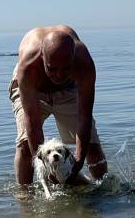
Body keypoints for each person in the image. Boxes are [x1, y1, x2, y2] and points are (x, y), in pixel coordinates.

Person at [10, 25, 107, 186]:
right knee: (25, 145)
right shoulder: (28, 66)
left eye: (65, 69)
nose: (59, 75)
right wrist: (44, 165)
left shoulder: (84, 64)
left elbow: (84, 117)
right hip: (33, 88)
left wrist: (79, 160)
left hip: (69, 90)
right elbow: (32, 122)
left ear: (73, 58)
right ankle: (25, 198)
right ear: (42, 57)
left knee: (91, 144)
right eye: (52, 69)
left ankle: (103, 188)